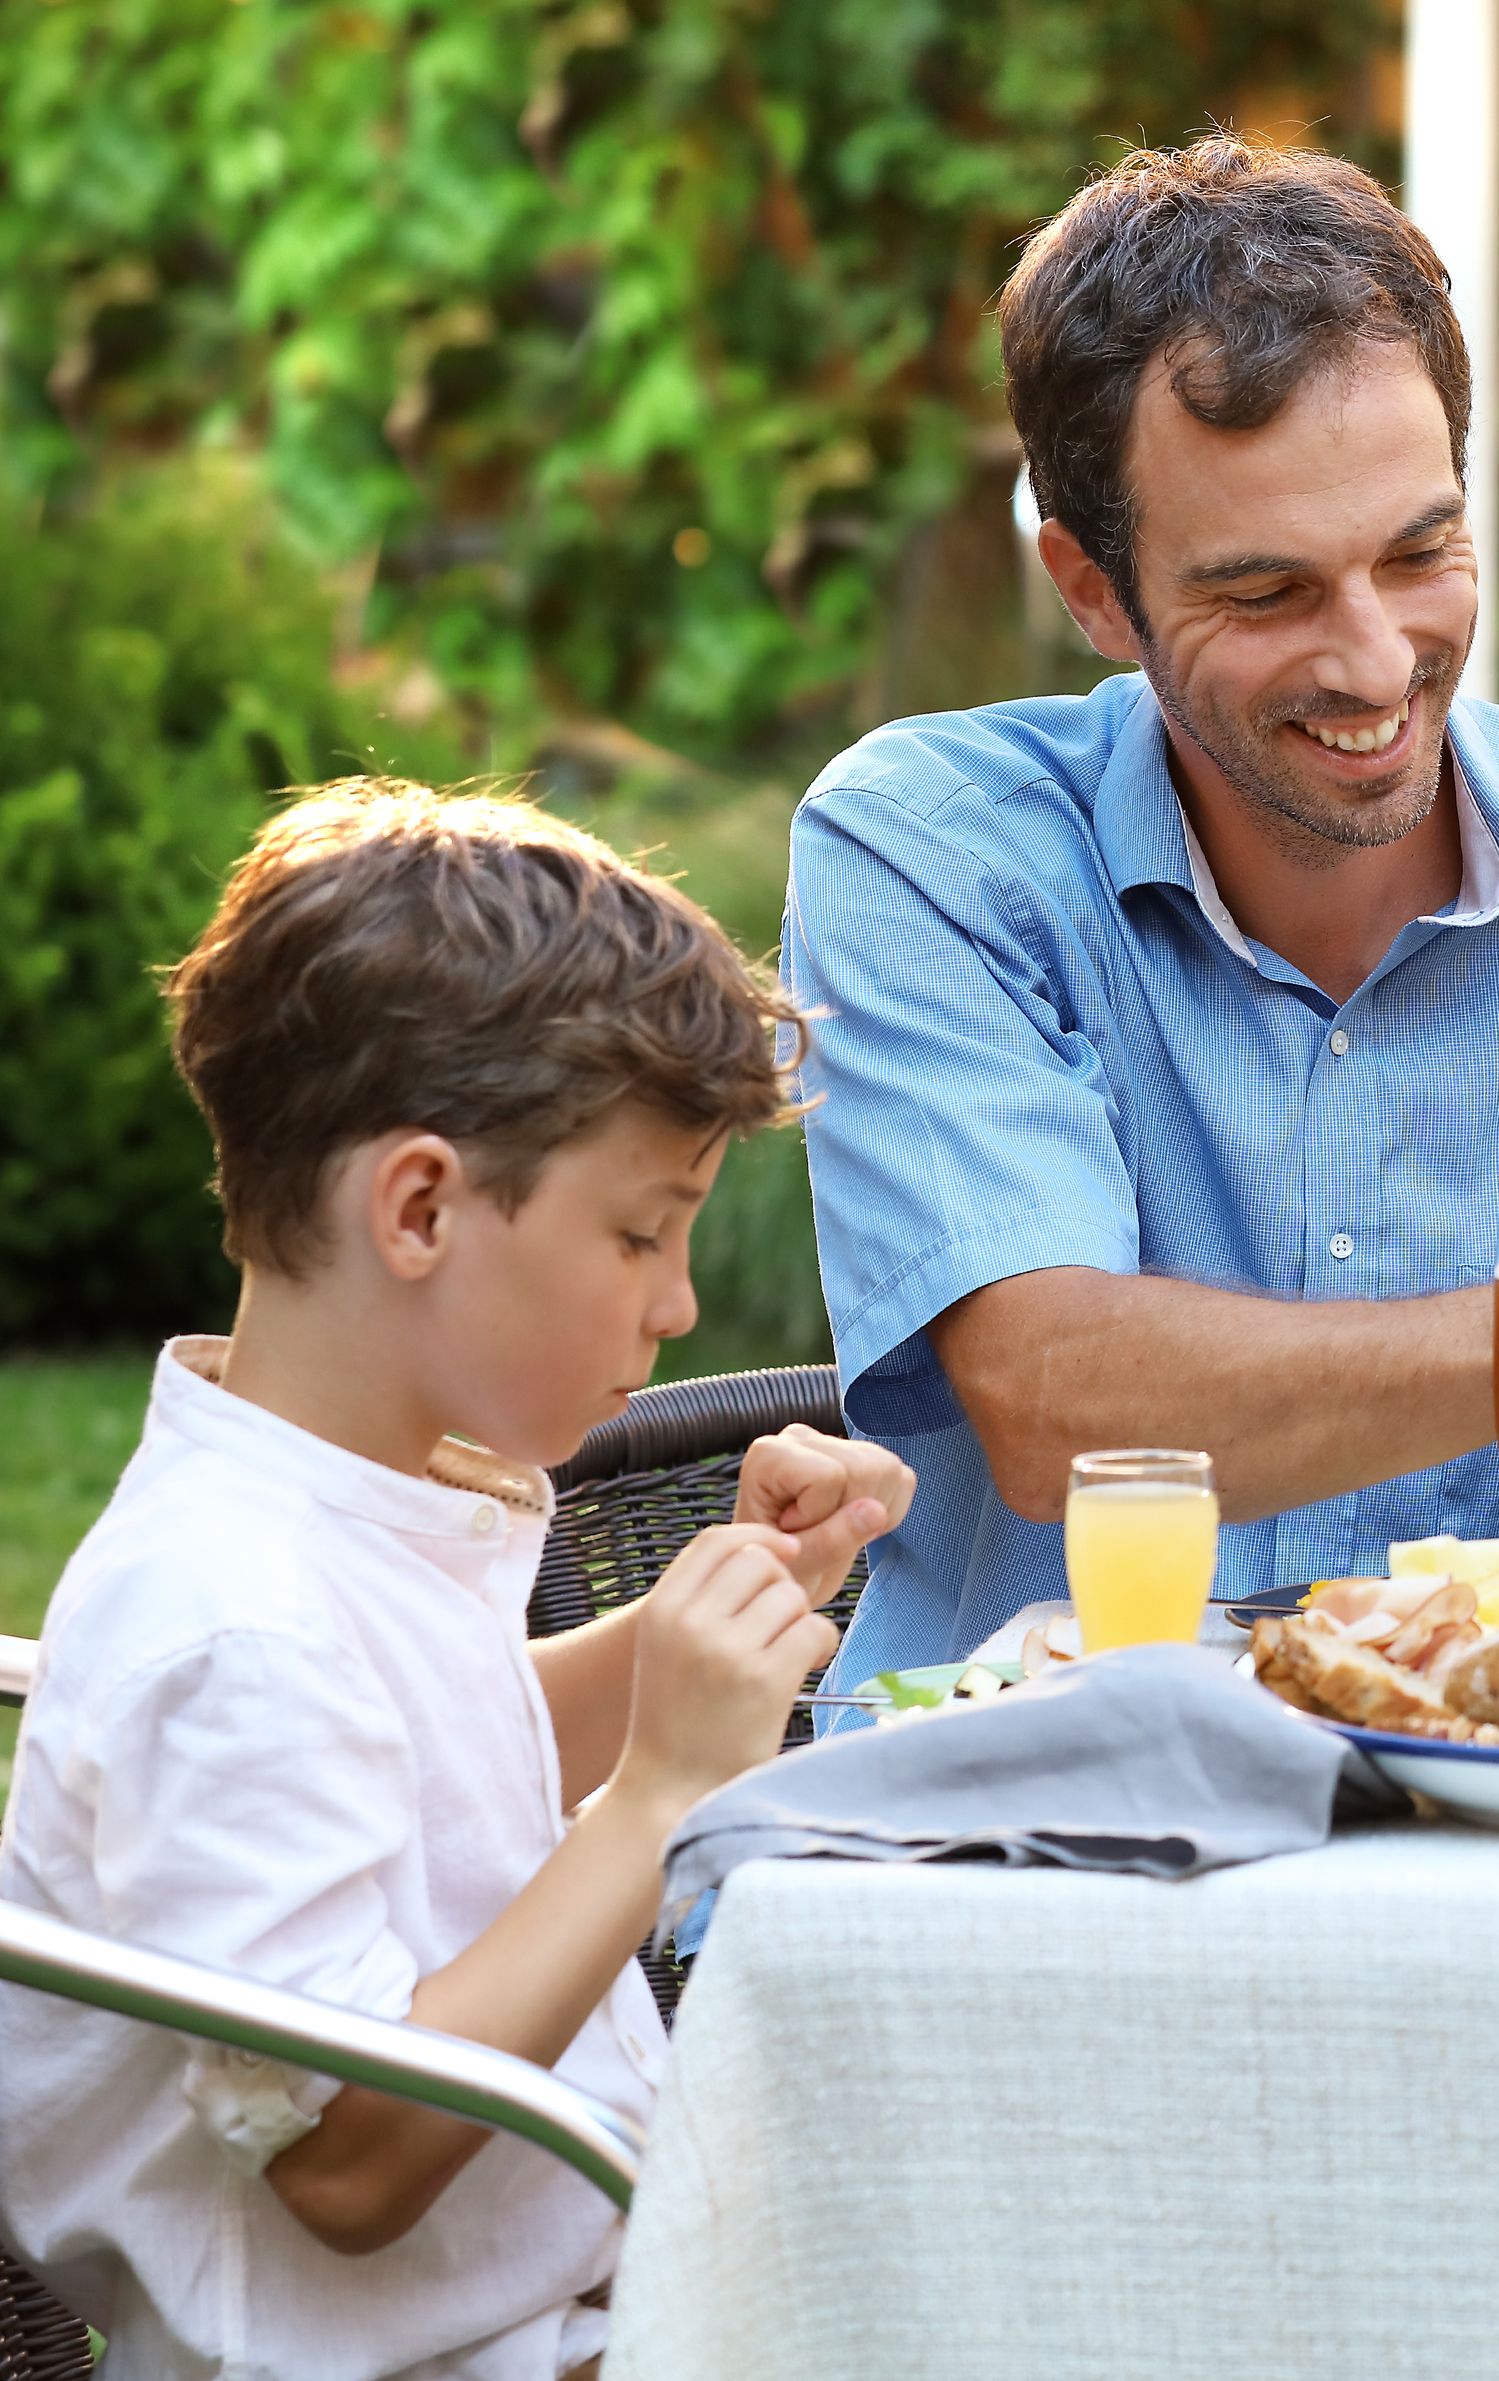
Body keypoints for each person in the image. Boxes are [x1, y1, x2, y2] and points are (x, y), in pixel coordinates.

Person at [785, 135, 1499, 1686]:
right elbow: (1059, 1407)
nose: (1379, 660)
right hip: (1042, 1827)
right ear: (1093, 590)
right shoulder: (930, 849)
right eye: (1267, 593)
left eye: (1421, 551)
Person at [0, 782, 910, 2381]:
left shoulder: (354, 1502)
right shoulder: (229, 1620)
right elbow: (346, 2163)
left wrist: (720, 1605)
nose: (683, 1304)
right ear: (419, 1207)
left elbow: (447, 1744)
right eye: (641, 1235)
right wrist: (657, 1798)